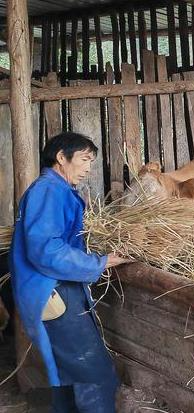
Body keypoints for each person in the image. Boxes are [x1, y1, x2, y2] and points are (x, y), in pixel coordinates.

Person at [10, 132, 130, 412]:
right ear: (61, 158)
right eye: (84, 159)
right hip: (51, 291)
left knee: (67, 372)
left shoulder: (58, 190)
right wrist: (99, 263)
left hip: (53, 288)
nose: (89, 167)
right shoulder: (48, 190)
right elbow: (45, 250)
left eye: (92, 161)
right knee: (94, 374)